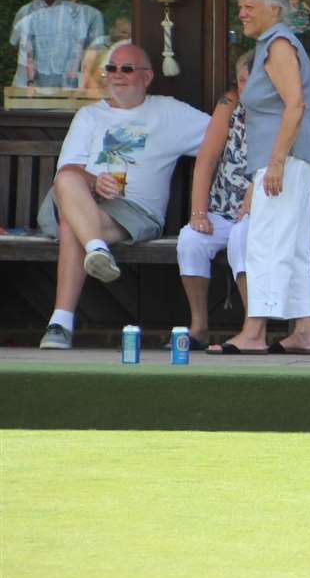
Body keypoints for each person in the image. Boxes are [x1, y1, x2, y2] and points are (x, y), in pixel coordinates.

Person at [36, 43, 209, 349]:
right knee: (67, 179)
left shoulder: (169, 112)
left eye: (126, 69)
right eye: (111, 68)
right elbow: (70, 168)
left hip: (135, 212)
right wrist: (93, 181)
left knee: (72, 226)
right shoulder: (89, 115)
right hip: (83, 201)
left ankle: (60, 324)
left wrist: (293, 136)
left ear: (147, 77)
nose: (117, 75)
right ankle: (97, 249)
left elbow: (226, 133)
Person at [209, 0, 310, 356]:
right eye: (240, 7)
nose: (241, 14)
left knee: (265, 242)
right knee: (289, 245)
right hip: (287, 157)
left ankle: (254, 332)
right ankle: (304, 332)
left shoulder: (278, 45)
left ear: (274, 9)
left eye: (248, 7)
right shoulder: (270, 44)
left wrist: (276, 162)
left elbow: (296, 105)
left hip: (285, 158)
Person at [177, 53, 254, 345]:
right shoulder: (229, 105)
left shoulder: (278, 111)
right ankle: (199, 326)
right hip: (223, 208)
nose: (247, 86)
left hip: (260, 212)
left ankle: (251, 327)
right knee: (191, 240)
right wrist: (199, 213)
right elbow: (206, 160)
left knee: (242, 238)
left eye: (254, 79)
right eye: (242, 79)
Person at [21, 0, 104, 88]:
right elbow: (31, 47)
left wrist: (86, 76)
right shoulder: (48, 13)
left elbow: (95, 49)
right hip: (46, 77)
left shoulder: (93, 14)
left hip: (78, 77)